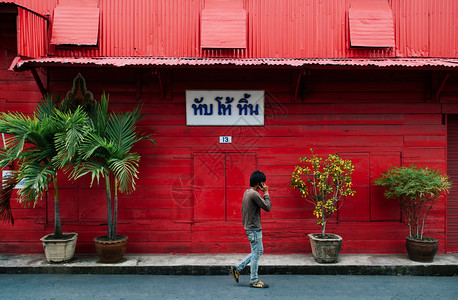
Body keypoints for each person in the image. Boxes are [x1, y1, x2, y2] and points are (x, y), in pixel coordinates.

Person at [231, 170, 272, 288]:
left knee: (258, 251)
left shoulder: (247, 193)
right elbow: (267, 207)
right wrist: (267, 193)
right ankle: (254, 280)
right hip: (254, 229)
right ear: (258, 183)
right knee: (256, 253)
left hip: (250, 228)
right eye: (262, 183)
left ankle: (237, 269)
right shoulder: (254, 194)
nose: (263, 185)